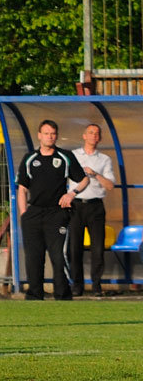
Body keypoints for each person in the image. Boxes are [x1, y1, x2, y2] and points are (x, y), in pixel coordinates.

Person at [16, 120, 89, 300]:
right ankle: (34, 294)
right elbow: (22, 189)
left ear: (56, 136)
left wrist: (72, 194)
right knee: (34, 257)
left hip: (57, 214)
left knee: (58, 255)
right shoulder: (30, 159)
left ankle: (62, 294)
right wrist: (24, 214)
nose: (50, 137)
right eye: (46, 133)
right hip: (34, 214)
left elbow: (84, 180)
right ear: (39, 135)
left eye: (53, 134)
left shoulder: (65, 156)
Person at [68, 124, 115, 297]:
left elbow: (110, 185)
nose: (94, 136)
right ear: (84, 136)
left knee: (97, 248)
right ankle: (77, 285)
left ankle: (96, 285)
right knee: (75, 247)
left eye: (97, 133)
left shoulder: (104, 159)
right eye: (91, 133)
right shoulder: (73, 156)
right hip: (76, 205)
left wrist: (95, 174)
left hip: (95, 206)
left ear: (100, 138)